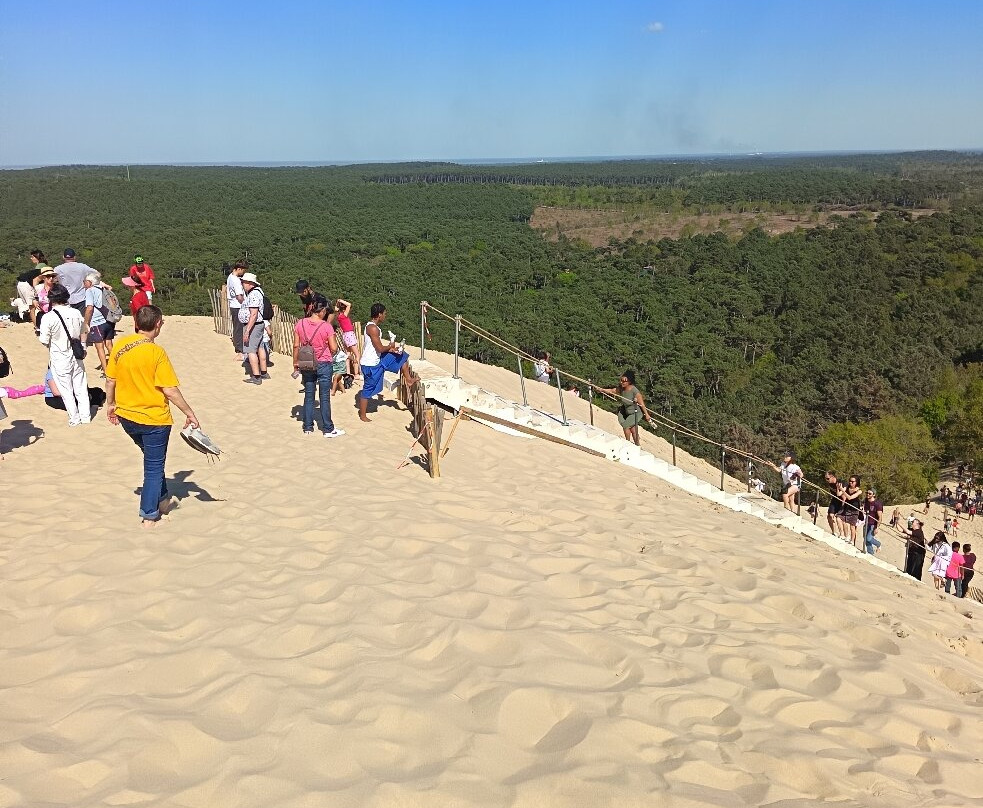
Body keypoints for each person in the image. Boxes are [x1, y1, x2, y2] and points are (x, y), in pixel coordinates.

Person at [105, 305, 199, 528]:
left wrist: (110, 404)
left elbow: (111, 380)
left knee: (153, 460)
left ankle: (164, 500)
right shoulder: (156, 352)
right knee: (154, 467)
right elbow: (169, 389)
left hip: (127, 416)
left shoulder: (120, 345)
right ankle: (149, 515)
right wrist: (189, 412)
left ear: (136, 323)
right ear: (157, 325)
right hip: (153, 419)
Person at [291, 294, 344, 437]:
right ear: (321, 311)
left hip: (306, 362)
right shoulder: (326, 326)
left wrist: (295, 363)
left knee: (309, 395)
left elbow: (296, 345)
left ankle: (308, 427)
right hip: (324, 362)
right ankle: (328, 429)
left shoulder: (300, 323)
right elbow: (333, 348)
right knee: (324, 397)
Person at [358, 303, 417, 423]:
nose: (385, 316)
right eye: (384, 313)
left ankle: (409, 379)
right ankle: (362, 415)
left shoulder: (372, 327)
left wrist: (391, 350)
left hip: (376, 360)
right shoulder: (373, 328)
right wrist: (390, 345)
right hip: (371, 364)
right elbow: (379, 348)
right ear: (379, 315)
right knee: (368, 388)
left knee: (402, 356)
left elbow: (377, 348)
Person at [596, 370, 653, 447]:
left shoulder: (634, 391)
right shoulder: (621, 389)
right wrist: (602, 390)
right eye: (621, 380)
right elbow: (612, 391)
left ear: (629, 382)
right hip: (626, 411)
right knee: (633, 429)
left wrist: (647, 415)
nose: (622, 382)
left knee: (626, 425)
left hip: (636, 412)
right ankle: (637, 445)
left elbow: (642, 404)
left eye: (624, 381)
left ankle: (627, 443)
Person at [239, 272, 269, 384]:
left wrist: (247, 331)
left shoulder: (253, 295)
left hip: (254, 326)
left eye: (244, 282)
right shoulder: (258, 292)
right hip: (258, 325)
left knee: (251, 350)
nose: (243, 284)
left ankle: (256, 376)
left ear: (251, 284)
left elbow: (253, 314)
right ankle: (264, 372)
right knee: (260, 347)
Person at [82, 271, 114, 375]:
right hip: (108, 320)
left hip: (97, 322)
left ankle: (106, 371)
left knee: (99, 347)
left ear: (90, 282)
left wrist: (86, 322)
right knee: (109, 345)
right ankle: (116, 366)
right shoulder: (103, 289)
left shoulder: (90, 291)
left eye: (85, 281)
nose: (84, 283)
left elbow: (89, 308)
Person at [14, 250, 47, 331]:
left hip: (23, 284)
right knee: (33, 306)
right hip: (26, 285)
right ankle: (38, 327)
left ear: (37, 258)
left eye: (32, 257)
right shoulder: (42, 267)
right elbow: (36, 280)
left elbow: (36, 280)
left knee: (32, 306)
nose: (31, 258)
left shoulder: (41, 267)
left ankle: (37, 326)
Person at [56, 248, 95, 312]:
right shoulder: (83, 267)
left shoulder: (58, 269)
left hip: (66, 299)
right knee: (81, 320)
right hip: (82, 299)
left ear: (63, 257)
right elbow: (97, 274)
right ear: (74, 257)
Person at [335, 298, 361, 377]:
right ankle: (356, 374)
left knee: (348, 355)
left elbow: (336, 309)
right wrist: (340, 300)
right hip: (349, 335)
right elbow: (349, 304)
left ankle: (348, 373)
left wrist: (337, 303)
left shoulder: (339, 316)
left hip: (345, 335)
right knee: (357, 355)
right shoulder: (343, 316)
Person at [227, 261, 247, 359]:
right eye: (243, 270)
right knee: (239, 329)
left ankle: (238, 347)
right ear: (238, 269)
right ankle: (240, 351)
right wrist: (246, 304)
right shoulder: (235, 280)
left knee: (237, 327)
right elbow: (239, 296)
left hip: (233, 305)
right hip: (238, 306)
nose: (243, 273)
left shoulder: (230, 277)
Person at [839, 475, 864, 546]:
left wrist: (843, 491)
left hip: (854, 509)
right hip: (847, 508)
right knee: (843, 522)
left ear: (856, 482)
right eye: (850, 481)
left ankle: (852, 541)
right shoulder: (847, 488)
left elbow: (850, 498)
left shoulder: (859, 491)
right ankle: (846, 536)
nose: (850, 483)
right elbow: (839, 494)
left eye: (852, 481)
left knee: (852, 526)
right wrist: (839, 488)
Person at [863, 489, 883, 555]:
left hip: (873, 524)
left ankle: (878, 544)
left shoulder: (877, 503)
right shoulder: (866, 501)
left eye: (869, 493)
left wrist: (877, 527)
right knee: (865, 539)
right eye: (867, 493)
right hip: (867, 523)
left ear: (873, 495)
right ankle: (870, 553)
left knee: (869, 538)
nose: (867, 494)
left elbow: (880, 517)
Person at [825, 471, 843, 537]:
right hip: (834, 500)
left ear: (832, 477)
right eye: (826, 479)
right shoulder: (829, 484)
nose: (827, 480)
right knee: (830, 515)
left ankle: (842, 534)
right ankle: (834, 532)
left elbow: (843, 494)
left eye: (828, 478)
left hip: (842, 501)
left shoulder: (840, 483)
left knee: (839, 518)